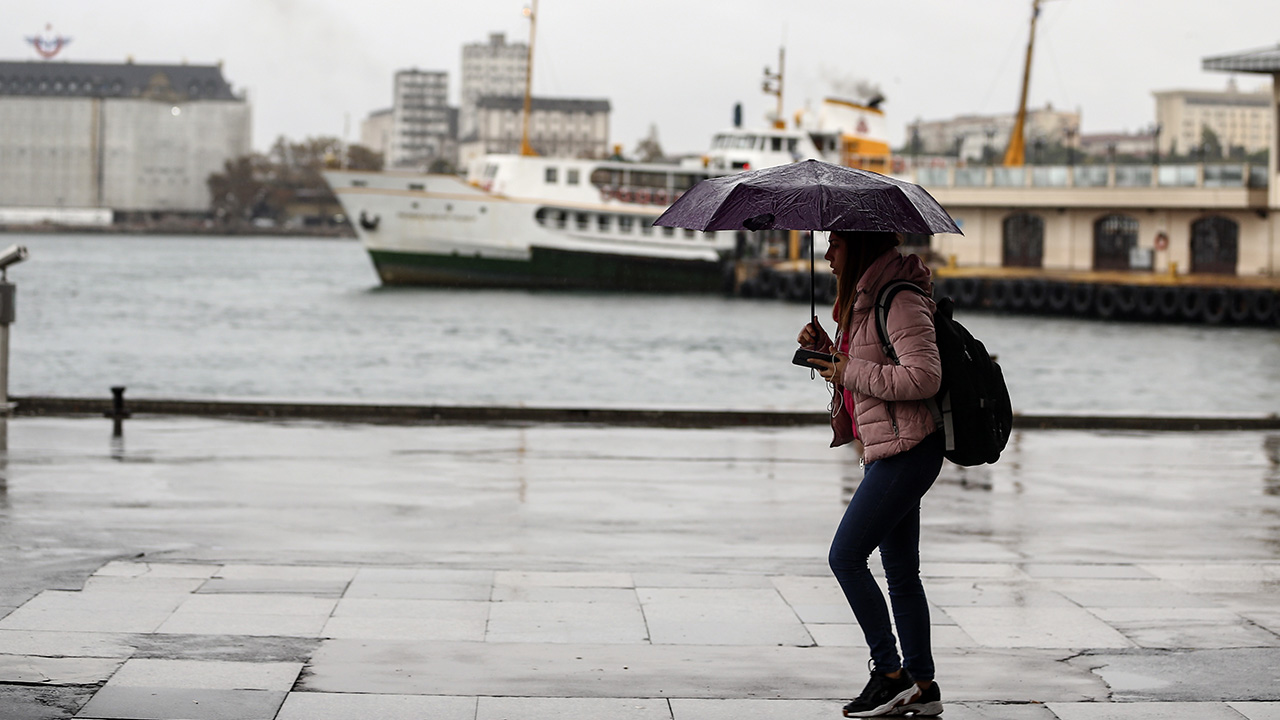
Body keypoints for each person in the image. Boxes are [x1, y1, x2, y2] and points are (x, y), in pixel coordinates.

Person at [796, 230, 945, 718]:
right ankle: (922, 686)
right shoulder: (863, 302)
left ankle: (889, 674)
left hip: (909, 450)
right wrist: (826, 350)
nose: (827, 255)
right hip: (890, 448)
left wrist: (848, 368)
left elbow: (924, 377)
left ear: (858, 246)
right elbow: (863, 367)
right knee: (901, 572)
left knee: (845, 556)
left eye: (835, 244)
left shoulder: (899, 300)